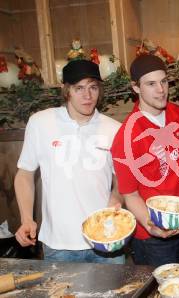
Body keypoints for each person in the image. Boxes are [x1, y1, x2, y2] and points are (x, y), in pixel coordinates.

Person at [14, 59, 124, 263]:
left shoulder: (115, 129)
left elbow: (121, 182)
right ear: (66, 91)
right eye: (79, 88)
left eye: (93, 87)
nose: (87, 95)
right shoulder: (40, 123)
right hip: (59, 246)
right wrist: (27, 218)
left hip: (107, 241)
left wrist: (116, 198)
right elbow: (25, 174)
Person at [110, 54, 179, 276]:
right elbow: (129, 194)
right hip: (154, 238)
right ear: (135, 88)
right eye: (151, 84)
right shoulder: (126, 136)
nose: (161, 90)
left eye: (164, 81)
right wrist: (151, 225)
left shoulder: (177, 113)